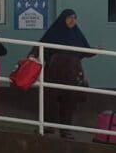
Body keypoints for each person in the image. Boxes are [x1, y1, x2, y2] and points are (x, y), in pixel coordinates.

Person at [36, 9, 93, 138]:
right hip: (54, 72)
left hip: (71, 74)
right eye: (69, 18)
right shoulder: (54, 33)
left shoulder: (77, 34)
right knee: (50, 99)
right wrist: (33, 57)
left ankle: (65, 129)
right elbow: (40, 48)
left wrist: (95, 51)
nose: (72, 21)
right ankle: (48, 126)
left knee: (70, 100)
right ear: (63, 19)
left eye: (75, 17)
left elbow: (85, 50)